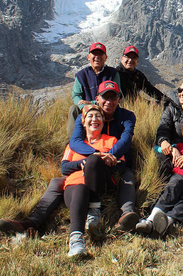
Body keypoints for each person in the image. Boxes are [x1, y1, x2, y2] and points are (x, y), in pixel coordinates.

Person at [0, 81, 138, 236]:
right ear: (97, 99)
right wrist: (92, 157)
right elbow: (71, 149)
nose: (109, 102)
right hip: (79, 176)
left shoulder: (119, 128)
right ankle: (32, 222)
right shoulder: (81, 125)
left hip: (105, 174)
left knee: (127, 175)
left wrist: (103, 159)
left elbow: (125, 144)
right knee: (57, 182)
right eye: (105, 97)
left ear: (118, 100)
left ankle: (125, 214)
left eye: (113, 97)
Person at [62, 104, 123, 257]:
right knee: (81, 188)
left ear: (103, 121)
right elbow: (64, 168)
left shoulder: (111, 141)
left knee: (94, 162)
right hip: (74, 186)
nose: (94, 119)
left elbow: (120, 164)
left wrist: (100, 162)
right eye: (90, 116)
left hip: (101, 183)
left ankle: (94, 210)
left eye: (98, 116)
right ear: (83, 122)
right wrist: (82, 163)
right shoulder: (73, 144)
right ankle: (76, 241)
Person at [66, 42, 121, 137]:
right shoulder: (81, 75)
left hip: (106, 106)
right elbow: (76, 96)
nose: (97, 57)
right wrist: (84, 106)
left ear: (106, 57)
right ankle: (71, 142)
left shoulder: (113, 73)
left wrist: (92, 103)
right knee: (73, 109)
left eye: (100, 54)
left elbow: (118, 94)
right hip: (86, 109)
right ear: (88, 57)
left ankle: (114, 139)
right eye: (94, 54)